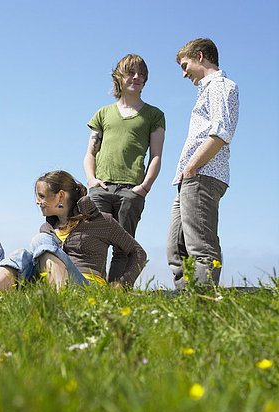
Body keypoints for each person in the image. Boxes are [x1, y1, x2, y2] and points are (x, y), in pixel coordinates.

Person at [0, 171, 146, 295]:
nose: (38, 202)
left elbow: (138, 252)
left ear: (60, 196)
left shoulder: (101, 221)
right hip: (46, 287)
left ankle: (63, 298)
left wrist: (121, 284)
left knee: (41, 240)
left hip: (86, 288)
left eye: (42, 196)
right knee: (20, 255)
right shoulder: (47, 228)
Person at [83, 54, 165, 283]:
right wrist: (91, 181)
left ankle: (116, 295)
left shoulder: (154, 115)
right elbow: (90, 152)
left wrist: (143, 188)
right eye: (131, 72)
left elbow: (156, 156)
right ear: (119, 77)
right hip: (101, 187)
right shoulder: (103, 113)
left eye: (141, 73)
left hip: (132, 191)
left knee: (123, 249)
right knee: (94, 245)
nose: (136, 77)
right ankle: (92, 293)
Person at [166, 38, 239, 288]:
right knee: (176, 248)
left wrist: (192, 167)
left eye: (185, 66)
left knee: (201, 248)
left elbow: (221, 133)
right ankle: (184, 304)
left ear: (200, 56)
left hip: (203, 174)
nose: (184, 74)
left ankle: (201, 307)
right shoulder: (206, 90)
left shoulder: (220, 85)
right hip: (190, 177)